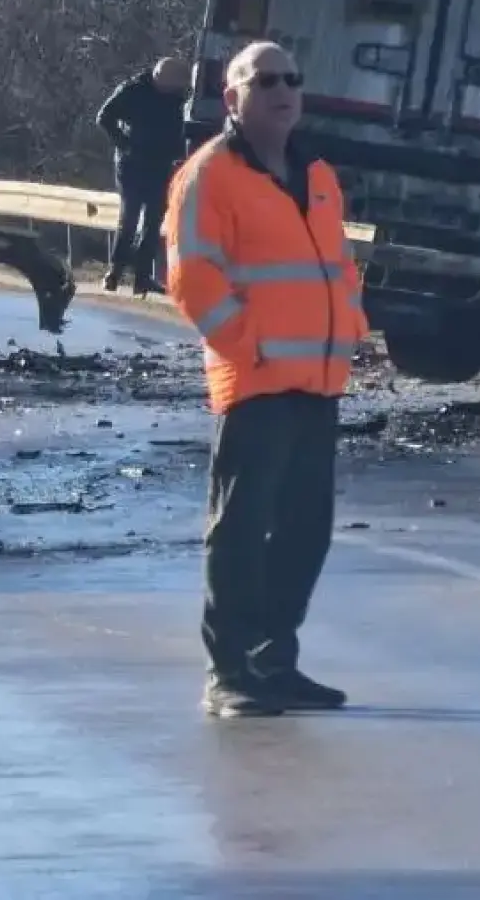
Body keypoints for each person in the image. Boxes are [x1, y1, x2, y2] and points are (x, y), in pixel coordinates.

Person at [164, 40, 369, 720]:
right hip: (256, 381)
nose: (283, 90)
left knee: (307, 529)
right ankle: (228, 673)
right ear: (233, 99)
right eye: (265, 81)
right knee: (245, 528)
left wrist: (351, 334)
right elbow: (192, 279)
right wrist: (244, 348)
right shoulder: (209, 175)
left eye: (292, 79)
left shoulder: (316, 174)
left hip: (318, 378)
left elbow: (335, 265)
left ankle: (274, 662)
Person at [96, 57, 190, 295]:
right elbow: (104, 117)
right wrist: (124, 144)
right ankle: (115, 271)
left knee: (153, 221)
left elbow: (178, 129)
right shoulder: (134, 91)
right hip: (132, 164)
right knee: (130, 217)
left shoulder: (177, 98)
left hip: (160, 165)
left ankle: (142, 277)